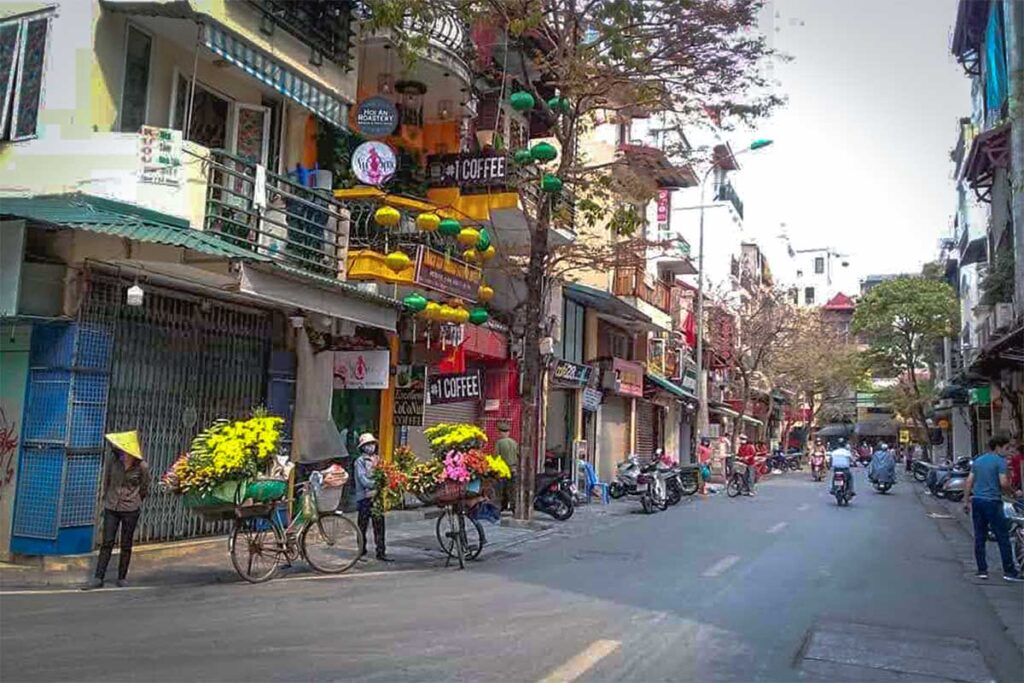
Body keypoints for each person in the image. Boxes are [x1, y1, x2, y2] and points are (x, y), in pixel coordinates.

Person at [83, 431, 151, 590]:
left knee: (126, 544)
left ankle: (122, 577)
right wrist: (105, 498)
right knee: (107, 542)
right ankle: (98, 577)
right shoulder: (113, 462)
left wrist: (136, 499)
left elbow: (145, 487)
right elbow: (106, 481)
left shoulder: (142, 467)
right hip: (112, 506)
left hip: (130, 508)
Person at [963, 435, 1022, 581]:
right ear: (998, 447)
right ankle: (1009, 571)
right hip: (992, 502)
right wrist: (1014, 492)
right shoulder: (1000, 462)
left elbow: (969, 481)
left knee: (980, 536)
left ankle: (982, 570)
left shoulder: (978, 460)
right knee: (1002, 536)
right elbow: (1003, 483)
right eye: (1006, 448)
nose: (1008, 451)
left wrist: (966, 501)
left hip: (977, 501)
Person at [354, 432, 390, 562]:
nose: (371, 447)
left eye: (372, 444)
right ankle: (361, 552)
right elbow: (363, 480)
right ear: (362, 447)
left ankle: (381, 552)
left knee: (379, 525)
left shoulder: (378, 460)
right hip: (364, 498)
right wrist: (377, 484)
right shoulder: (360, 461)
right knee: (362, 526)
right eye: (368, 444)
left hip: (377, 497)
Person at [495, 421, 519, 510]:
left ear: (501, 432)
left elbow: (496, 456)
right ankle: (514, 507)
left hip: (504, 470)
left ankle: (502, 506)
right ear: (508, 432)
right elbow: (518, 455)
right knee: (512, 489)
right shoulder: (514, 442)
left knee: (502, 489)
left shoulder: (499, 442)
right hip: (514, 469)